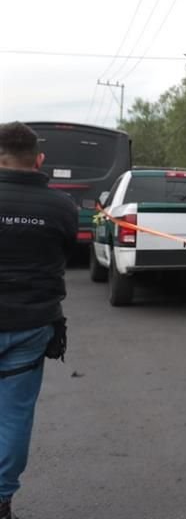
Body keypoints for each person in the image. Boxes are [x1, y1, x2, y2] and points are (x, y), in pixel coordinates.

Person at [0, 122, 77, 519]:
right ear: (40, 159)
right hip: (30, 325)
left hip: (30, 322)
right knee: (13, 415)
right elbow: (65, 251)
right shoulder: (62, 207)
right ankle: (1, 498)